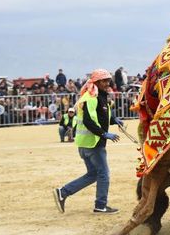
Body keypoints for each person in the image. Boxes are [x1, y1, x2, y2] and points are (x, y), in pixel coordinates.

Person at [52, 69, 124, 214]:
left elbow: (101, 116)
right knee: (103, 174)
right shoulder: (92, 98)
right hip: (93, 144)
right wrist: (104, 134)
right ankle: (101, 205)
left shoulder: (99, 97)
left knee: (93, 174)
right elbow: (89, 121)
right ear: (96, 82)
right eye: (104, 81)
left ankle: (63, 192)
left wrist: (113, 120)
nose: (107, 83)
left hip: (86, 144)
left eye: (108, 80)